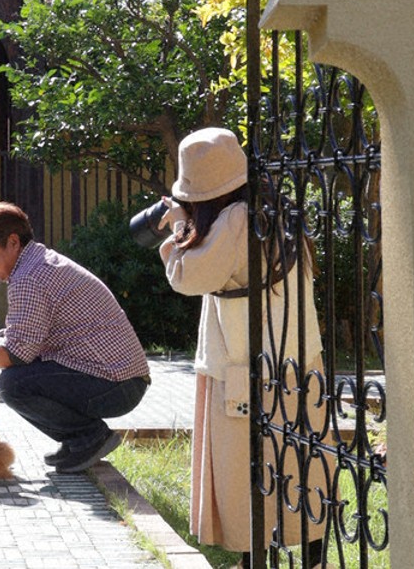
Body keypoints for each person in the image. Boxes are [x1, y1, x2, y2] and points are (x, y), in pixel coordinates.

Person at [157, 127, 325, 567]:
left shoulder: (232, 221)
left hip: (246, 372)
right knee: (303, 467)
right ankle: (314, 556)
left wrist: (178, 225)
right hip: (300, 360)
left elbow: (189, 278)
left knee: (247, 475)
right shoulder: (271, 209)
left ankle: (255, 560)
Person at [0, 202, 150, 473]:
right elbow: (16, 338)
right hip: (121, 380)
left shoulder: (30, 277)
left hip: (116, 385)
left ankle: (89, 437)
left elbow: (15, 354)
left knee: (15, 384)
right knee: (21, 377)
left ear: (13, 242)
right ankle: (79, 441)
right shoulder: (36, 264)